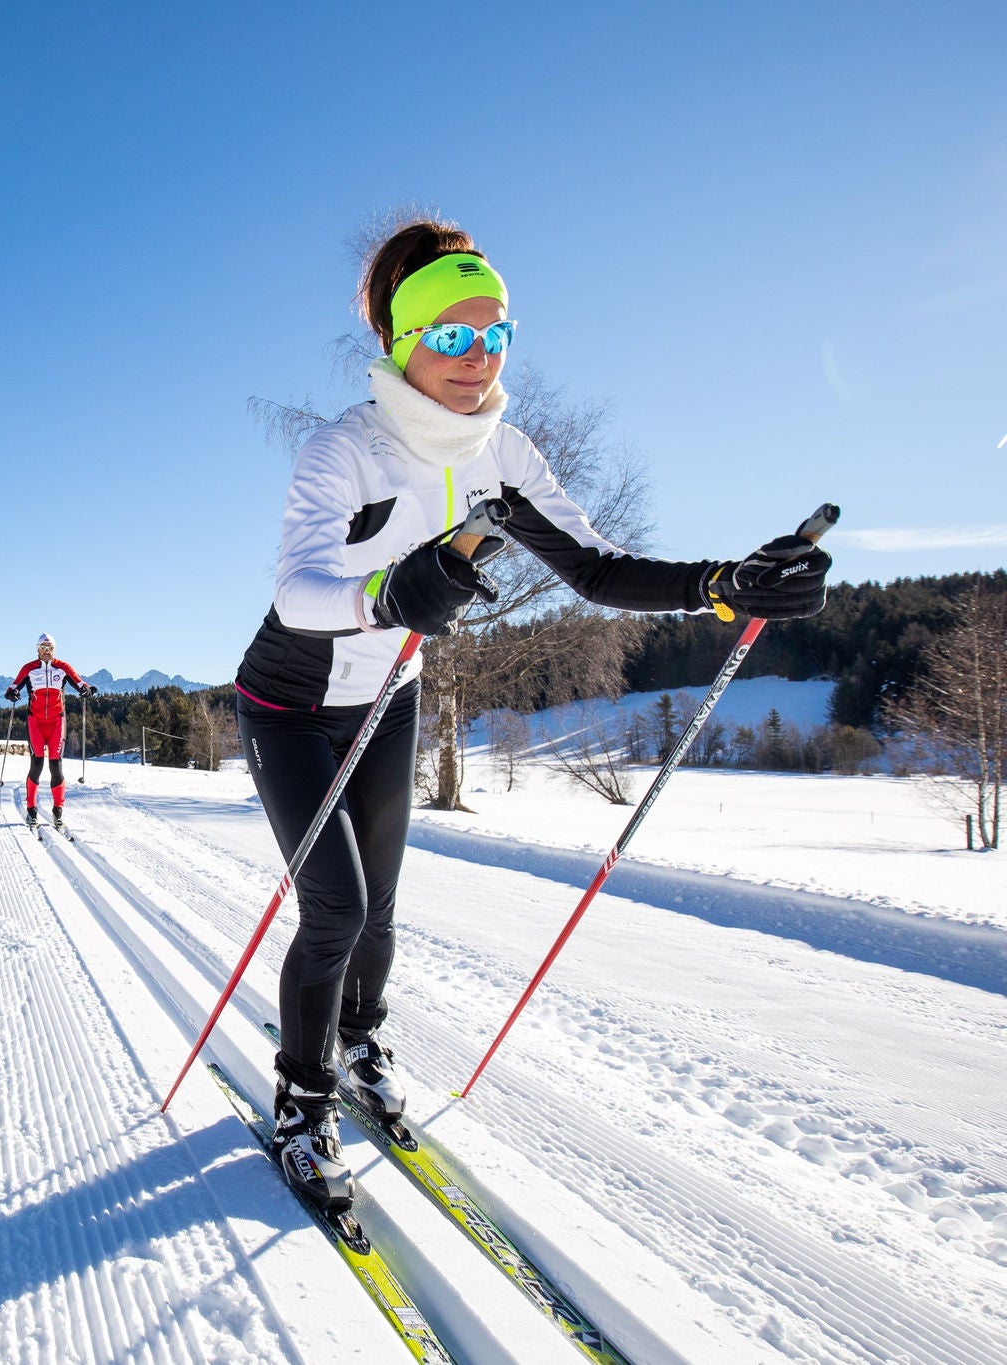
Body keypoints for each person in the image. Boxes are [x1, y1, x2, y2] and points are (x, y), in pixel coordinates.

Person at [233, 219, 831, 1207]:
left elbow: (597, 569)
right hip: (289, 702)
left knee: (379, 910)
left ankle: (357, 1041)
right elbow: (297, 588)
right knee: (332, 906)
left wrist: (726, 583)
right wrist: (386, 594)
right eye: (452, 338)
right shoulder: (342, 450)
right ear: (398, 340)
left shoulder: (501, 453)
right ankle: (301, 1100)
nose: (478, 361)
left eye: (495, 335)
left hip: (387, 703)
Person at [4, 633, 97, 830]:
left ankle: (58, 811)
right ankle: (31, 810)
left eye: (50, 649)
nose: (46, 652)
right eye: (43, 648)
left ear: (54, 650)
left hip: (57, 722)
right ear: (37, 650)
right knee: (36, 764)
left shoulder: (63, 668)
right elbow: (12, 686)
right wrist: (11, 693)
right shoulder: (29, 669)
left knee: (56, 766)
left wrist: (87, 690)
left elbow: (80, 683)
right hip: (35, 722)